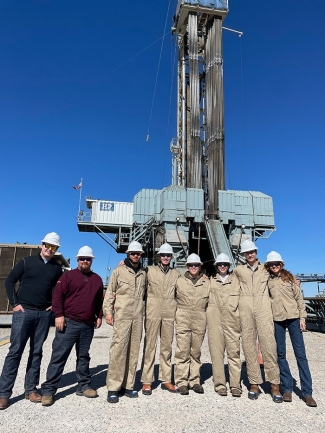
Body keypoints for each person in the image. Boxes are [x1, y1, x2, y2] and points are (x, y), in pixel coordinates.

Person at [0, 232, 62, 410]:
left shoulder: (57, 268)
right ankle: (4, 393)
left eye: (54, 247)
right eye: (47, 245)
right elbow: (10, 281)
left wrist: (53, 306)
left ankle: (31, 390)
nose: (50, 249)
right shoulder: (27, 262)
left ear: (57, 249)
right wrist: (15, 304)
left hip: (43, 314)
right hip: (23, 312)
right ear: (41, 245)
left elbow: (60, 290)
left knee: (36, 352)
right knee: (15, 352)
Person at [41, 246, 103, 406]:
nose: (85, 261)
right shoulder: (68, 276)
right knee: (59, 356)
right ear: (77, 260)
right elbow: (57, 296)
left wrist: (99, 315)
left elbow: (98, 301)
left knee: (83, 357)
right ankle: (48, 390)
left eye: (88, 259)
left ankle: (83, 386)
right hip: (69, 323)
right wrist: (59, 315)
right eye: (82, 258)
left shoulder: (97, 279)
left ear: (91, 261)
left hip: (87, 325)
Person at [265, 251, 317, 407]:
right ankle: (287, 389)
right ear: (268, 266)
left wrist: (302, 318)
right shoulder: (267, 281)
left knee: (300, 354)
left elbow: (299, 299)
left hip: (293, 318)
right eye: (271, 264)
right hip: (278, 319)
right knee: (280, 354)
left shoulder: (290, 279)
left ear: (281, 265)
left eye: (277, 264)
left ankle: (307, 392)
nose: (274, 266)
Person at [234, 239, 282, 403]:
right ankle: (254, 383)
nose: (250, 254)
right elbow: (227, 284)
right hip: (246, 310)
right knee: (248, 346)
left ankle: (274, 384)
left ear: (256, 252)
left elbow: (279, 276)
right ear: (243, 255)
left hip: (263, 309)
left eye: (252, 251)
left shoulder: (265, 268)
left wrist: (293, 280)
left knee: (269, 345)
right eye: (247, 252)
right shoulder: (238, 270)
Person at [104, 240, 147, 403]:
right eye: (133, 253)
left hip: (137, 317)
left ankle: (128, 385)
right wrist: (108, 311)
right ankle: (113, 387)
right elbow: (110, 292)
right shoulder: (119, 271)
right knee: (118, 350)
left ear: (141, 255)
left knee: (133, 350)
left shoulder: (143, 273)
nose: (135, 256)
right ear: (128, 254)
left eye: (138, 254)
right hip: (122, 316)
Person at [141, 243, 179, 395]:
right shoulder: (149, 271)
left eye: (168, 255)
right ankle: (147, 381)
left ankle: (166, 379)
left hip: (169, 314)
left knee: (166, 347)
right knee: (149, 346)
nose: (165, 257)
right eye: (163, 255)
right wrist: (125, 264)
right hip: (153, 312)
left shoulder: (176, 274)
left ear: (171, 257)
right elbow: (136, 278)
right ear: (159, 257)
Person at [174, 253, 210, 395]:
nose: (194, 267)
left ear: (200, 267)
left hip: (200, 319)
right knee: (182, 351)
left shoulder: (207, 283)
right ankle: (182, 381)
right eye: (191, 265)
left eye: (196, 265)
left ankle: (195, 381)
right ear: (187, 266)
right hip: (183, 317)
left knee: (196, 352)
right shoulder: (179, 281)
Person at [207, 253, 242, 397]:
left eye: (225, 264)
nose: (222, 266)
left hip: (232, 322)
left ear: (229, 266)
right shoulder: (209, 281)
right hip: (215, 322)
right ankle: (220, 385)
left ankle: (235, 385)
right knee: (217, 354)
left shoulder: (237, 281)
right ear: (216, 266)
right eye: (220, 264)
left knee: (234, 354)